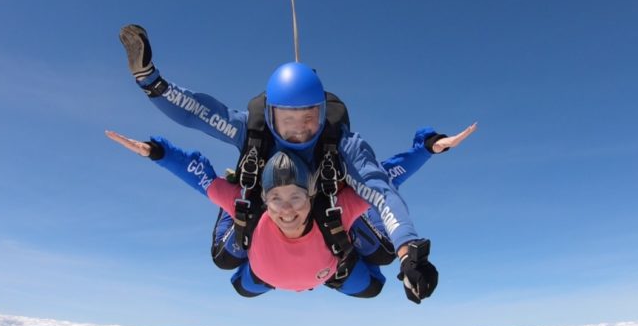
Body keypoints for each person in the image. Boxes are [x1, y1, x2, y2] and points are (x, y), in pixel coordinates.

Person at [118, 23, 474, 303]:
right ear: (271, 115)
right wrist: (150, 80)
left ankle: (333, 254)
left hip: (324, 211)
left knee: (376, 265)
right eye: (288, 120)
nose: (301, 130)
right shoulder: (252, 131)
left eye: (309, 118)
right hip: (265, 205)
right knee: (229, 264)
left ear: (321, 113)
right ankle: (244, 215)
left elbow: (382, 189)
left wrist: (408, 251)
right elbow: (199, 113)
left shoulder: (341, 143)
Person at [107, 127, 471, 299]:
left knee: (377, 274)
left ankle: (354, 237)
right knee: (227, 264)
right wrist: (157, 151)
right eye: (276, 198)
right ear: (264, 197)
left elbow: (387, 180)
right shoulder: (249, 207)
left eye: (296, 197)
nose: (286, 209)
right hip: (267, 273)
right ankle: (235, 225)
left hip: (327, 269)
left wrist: (426, 148)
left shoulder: (334, 209)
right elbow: (197, 174)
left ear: (311, 195)